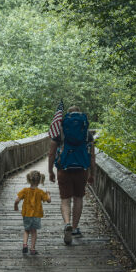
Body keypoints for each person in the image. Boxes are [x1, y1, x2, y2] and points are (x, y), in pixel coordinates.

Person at [48, 105, 95, 245]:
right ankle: (74, 228)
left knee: (65, 199)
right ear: (80, 114)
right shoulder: (86, 132)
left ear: (67, 115)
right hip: (81, 169)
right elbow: (92, 156)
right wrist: (92, 173)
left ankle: (67, 223)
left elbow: (51, 153)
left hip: (64, 168)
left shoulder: (60, 131)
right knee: (78, 198)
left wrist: (50, 170)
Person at [14, 170, 51, 255]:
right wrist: (48, 194)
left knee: (26, 230)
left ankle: (24, 245)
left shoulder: (25, 190)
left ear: (29, 180)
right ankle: (32, 249)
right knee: (34, 231)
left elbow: (16, 200)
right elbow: (49, 200)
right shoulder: (40, 192)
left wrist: (15, 206)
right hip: (36, 215)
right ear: (39, 181)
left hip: (26, 214)